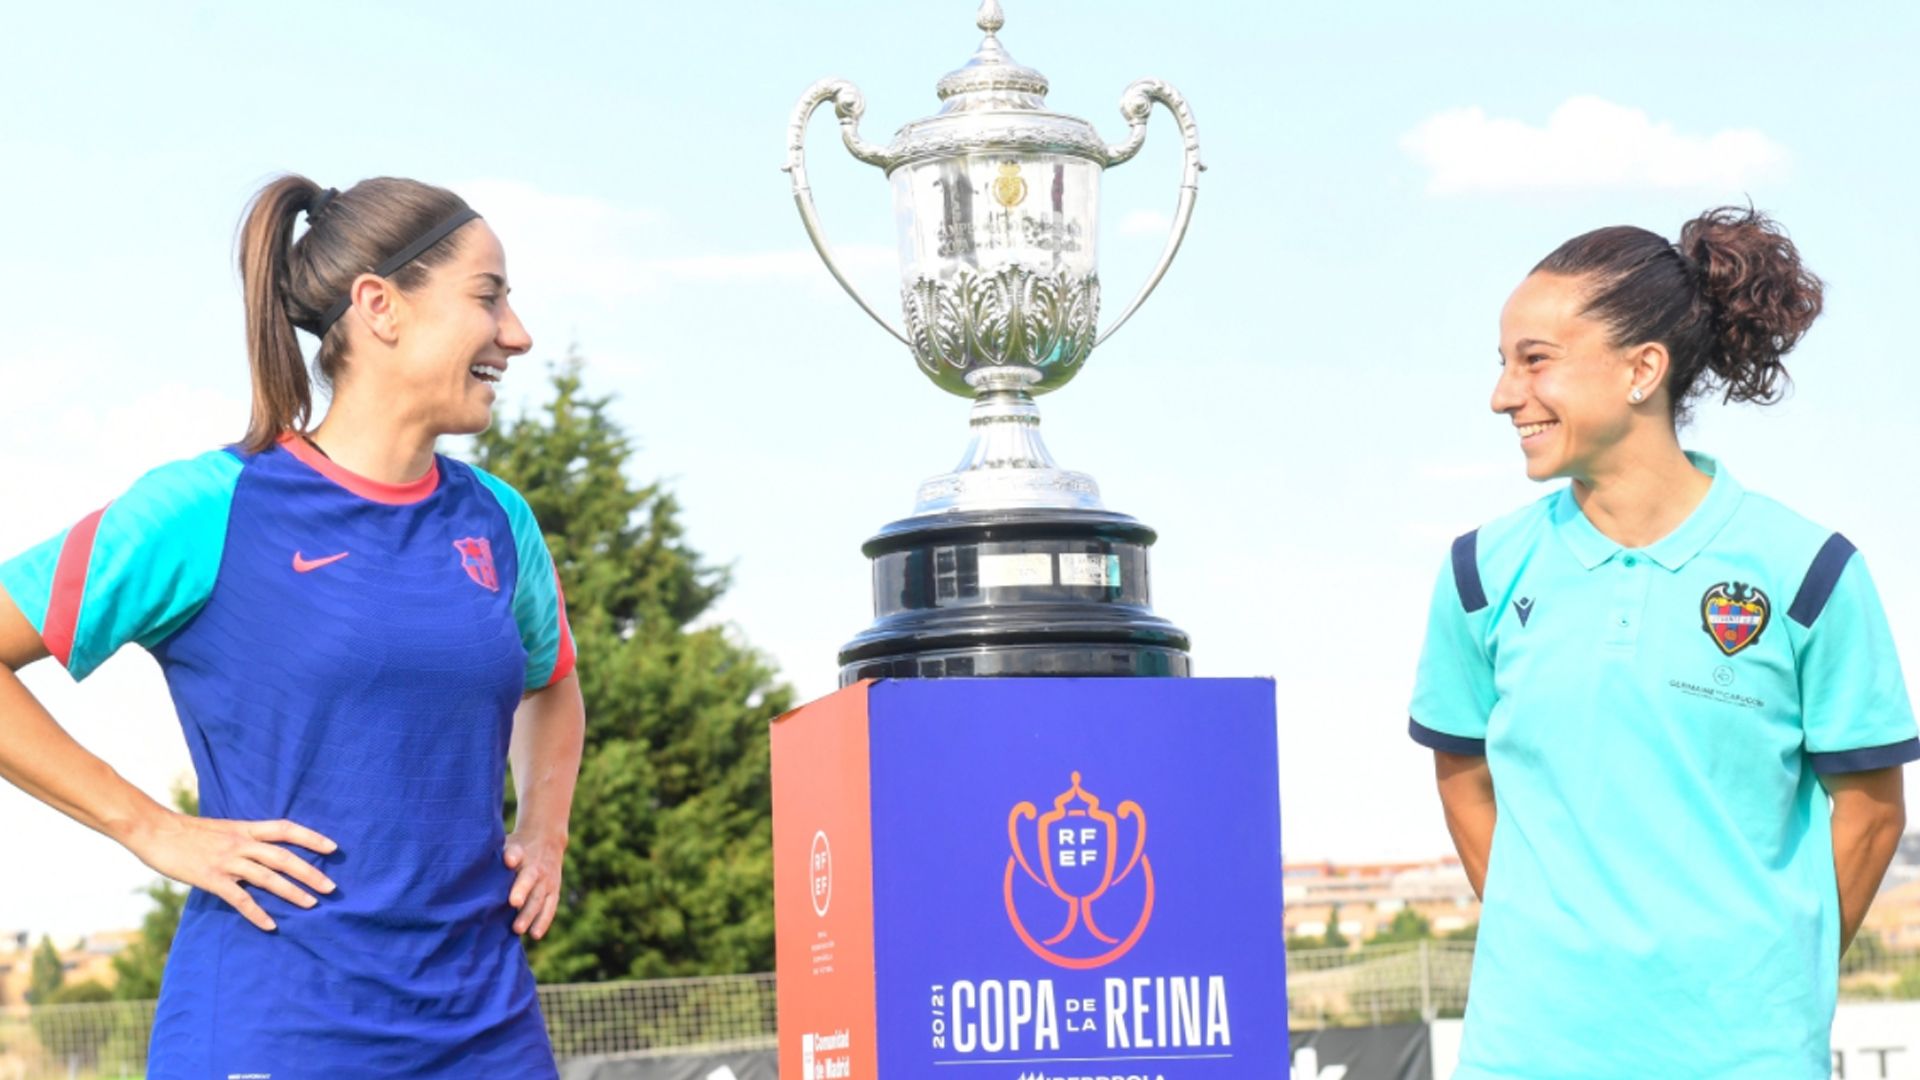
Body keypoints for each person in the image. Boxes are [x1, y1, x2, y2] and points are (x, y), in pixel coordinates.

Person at [0, 175, 585, 1078]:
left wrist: (545, 829)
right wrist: (148, 826)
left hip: (484, 1027)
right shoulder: (207, 508)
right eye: (489, 296)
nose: (517, 332)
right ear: (380, 306)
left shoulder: (498, 523)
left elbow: (553, 685)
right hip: (275, 1020)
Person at [1408, 206, 1915, 1077]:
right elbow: (1462, 771)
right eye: (1503, 364)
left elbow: (1870, 812)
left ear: (1643, 370)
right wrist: (1555, 947)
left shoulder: (1809, 571)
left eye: (1536, 361)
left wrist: (1765, 982)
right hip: (1527, 1051)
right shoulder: (1479, 572)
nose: (1503, 394)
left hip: (1743, 1055)